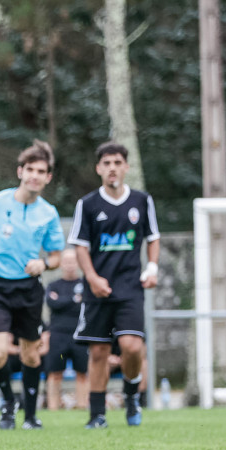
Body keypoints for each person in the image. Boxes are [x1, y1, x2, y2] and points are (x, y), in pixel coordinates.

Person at [0, 140, 65, 430]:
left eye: (40, 171)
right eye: (29, 169)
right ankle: (8, 402)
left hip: (29, 289)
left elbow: (57, 256)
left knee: (32, 354)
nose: (34, 175)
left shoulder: (48, 213)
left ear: (48, 177)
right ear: (20, 171)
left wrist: (43, 264)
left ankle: (30, 416)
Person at [69, 141, 159, 428]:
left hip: (130, 287)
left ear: (126, 167)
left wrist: (152, 267)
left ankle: (132, 395)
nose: (112, 168)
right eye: (106, 163)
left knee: (132, 347)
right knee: (98, 352)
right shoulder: (87, 204)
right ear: (99, 168)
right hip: (97, 290)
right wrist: (93, 279)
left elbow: (153, 237)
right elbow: (80, 246)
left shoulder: (142, 201)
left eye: (117, 162)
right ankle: (97, 415)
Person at [43, 248, 89, 410]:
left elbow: (84, 305)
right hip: (58, 335)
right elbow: (52, 304)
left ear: (78, 263)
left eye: (73, 261)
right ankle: (53, 408)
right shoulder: (53, 285)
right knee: (55, 373)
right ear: (61, 264)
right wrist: (74, 300)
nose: (69, 265)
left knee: (82, 373)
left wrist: (63, 301)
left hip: (80, 335)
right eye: (66, 261)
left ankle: (82, 406)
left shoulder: (85, 284)